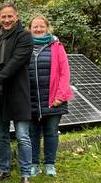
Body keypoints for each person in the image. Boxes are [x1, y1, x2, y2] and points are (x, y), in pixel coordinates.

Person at [0, 2, 33, 183]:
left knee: (22, 136)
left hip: (18, 94)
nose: (6, 20)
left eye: (9, 16)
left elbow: (15, 63)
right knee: (1, 136)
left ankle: (26, 173)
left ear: (16, 17)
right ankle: (4, 170)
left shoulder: (25, 37)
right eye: (3, 17)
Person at [27, 15, 74, 177]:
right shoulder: (25, 47)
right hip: (31, 99)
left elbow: (64, 73)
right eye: (35, 27)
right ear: (30, 29)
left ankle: (49, 164)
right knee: (33, 134)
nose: (38, 29)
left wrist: (60, 96)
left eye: (41, 26)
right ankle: (34, 164)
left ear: (47, 28)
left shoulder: (57, 46)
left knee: (51, 132)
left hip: (54, 99)